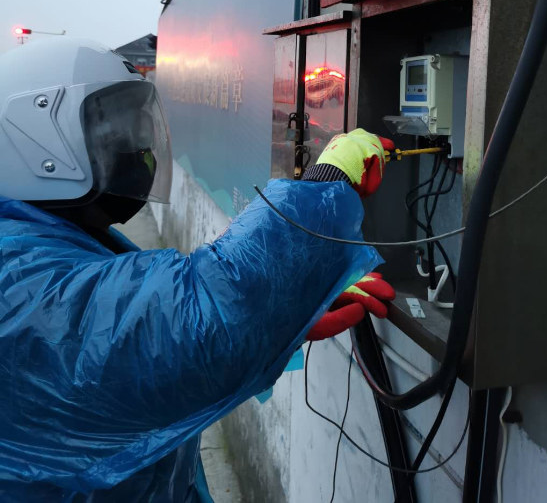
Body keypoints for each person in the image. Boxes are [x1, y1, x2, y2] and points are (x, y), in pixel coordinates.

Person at [0, 37, 395, 502]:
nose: (137, 148)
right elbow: (185, 327)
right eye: (114, 132)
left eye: (135, 127)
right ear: (35, 140)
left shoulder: (55, 240)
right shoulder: (15, 277)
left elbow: (146, 370)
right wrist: (326, 186)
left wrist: (280, 319)